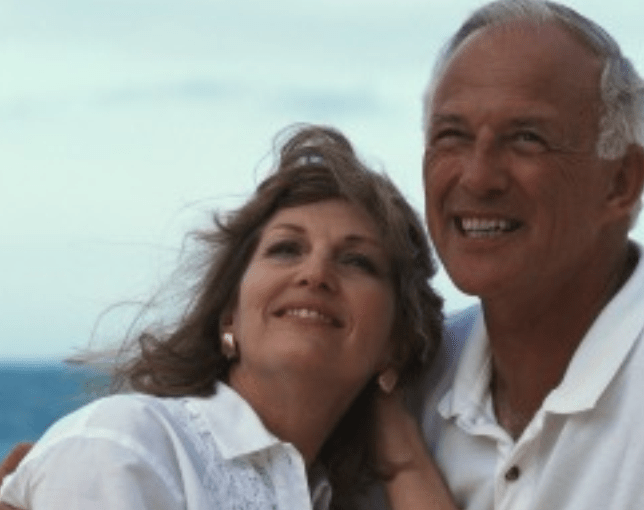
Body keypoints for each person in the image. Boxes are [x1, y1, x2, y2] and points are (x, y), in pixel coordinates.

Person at [376, 0, 644, 508]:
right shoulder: (404, 388)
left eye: (526, 139)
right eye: (451, 136)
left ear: (621, 181)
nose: (477, 177)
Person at [0, 124, 444, 510]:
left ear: (396, 341)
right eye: (286, 249)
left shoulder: (337, 497)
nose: (315, 273)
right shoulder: (129, 443)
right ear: (229, 315)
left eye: (357, 261)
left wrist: (400, 446)